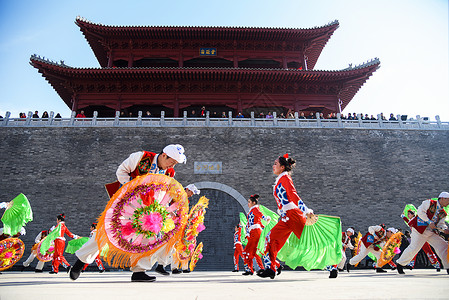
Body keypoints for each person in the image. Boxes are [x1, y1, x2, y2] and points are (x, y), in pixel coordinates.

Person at [70, 144, 187, 282]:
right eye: (171, 162)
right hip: (126, 203)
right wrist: (134, 187)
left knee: (149, 237)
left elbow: (165, 192)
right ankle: (81, 261)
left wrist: (168, 208)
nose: (171, 166)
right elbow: (121, 172)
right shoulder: (142, 157)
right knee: (105, 231)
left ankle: (139, 271)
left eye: (175, 164)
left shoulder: (169, 173)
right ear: (163, 155)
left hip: (148, 210)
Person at [257, 154, 314, 279]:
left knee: (311, 242)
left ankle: (333, 263)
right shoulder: (280, 179)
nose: (273, 166)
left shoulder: (286, 178)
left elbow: (293, 196)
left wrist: (305, 210)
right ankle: (272, 267)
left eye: (276, 164)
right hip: (285, 218)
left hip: (294, 216)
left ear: (282, 167)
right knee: (270, 238)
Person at [396, 192, 449, 275]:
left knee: (443, 246)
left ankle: (448, 266)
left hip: (431, 232)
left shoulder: (443, 213)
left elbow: (441, 224)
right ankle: (400, 264)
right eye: (448, 200)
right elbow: (420, 212)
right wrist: (429, 221)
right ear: (443, 198)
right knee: (414, 248)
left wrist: (444, 229)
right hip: (419, 230)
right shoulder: (429, 203)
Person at [242, 194, 270, 275]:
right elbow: (250, 223)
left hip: (256, 232)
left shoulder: (255, 209)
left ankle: (251, 269)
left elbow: (260, 214)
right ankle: (252, 269)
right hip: (253, 232)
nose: (248, 203)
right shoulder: (251, 211)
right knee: (255, 251)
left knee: (250, 251)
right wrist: (247, 233)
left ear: (254, 203)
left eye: (249, 202)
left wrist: (266, 218)